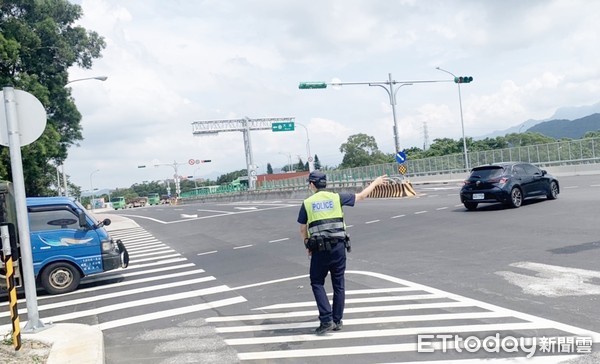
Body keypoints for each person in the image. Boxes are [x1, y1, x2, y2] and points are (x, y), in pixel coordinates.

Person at [297, 170, 387, 335]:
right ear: (325, 183)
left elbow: (302, 228)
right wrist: (376, 182)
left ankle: (326, 319)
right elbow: (360, 196)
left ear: (312, 184)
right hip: (339, 247)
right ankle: (337, 320)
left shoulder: (308, 203)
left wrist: (307, 245)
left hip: (319, 249)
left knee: (317, 282)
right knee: (339, 284)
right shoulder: (336, 197)